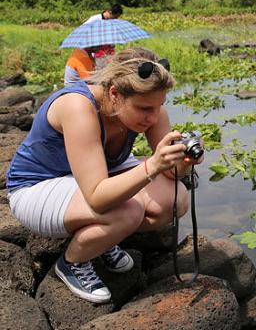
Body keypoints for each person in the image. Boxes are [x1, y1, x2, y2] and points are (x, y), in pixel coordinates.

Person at [6, 47, 201, 303]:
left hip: (89, 178)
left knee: (174, 201)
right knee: (128, 211)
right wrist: (152, 165)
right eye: (144, 108)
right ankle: (73, 261)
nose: (153, 117)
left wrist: (184, 162)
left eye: (159, 106)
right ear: (114, 93)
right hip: (35, 186)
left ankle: (105, 240)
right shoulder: (78, 106)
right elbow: (98, 197)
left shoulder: (150, 108)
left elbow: (173, 175)